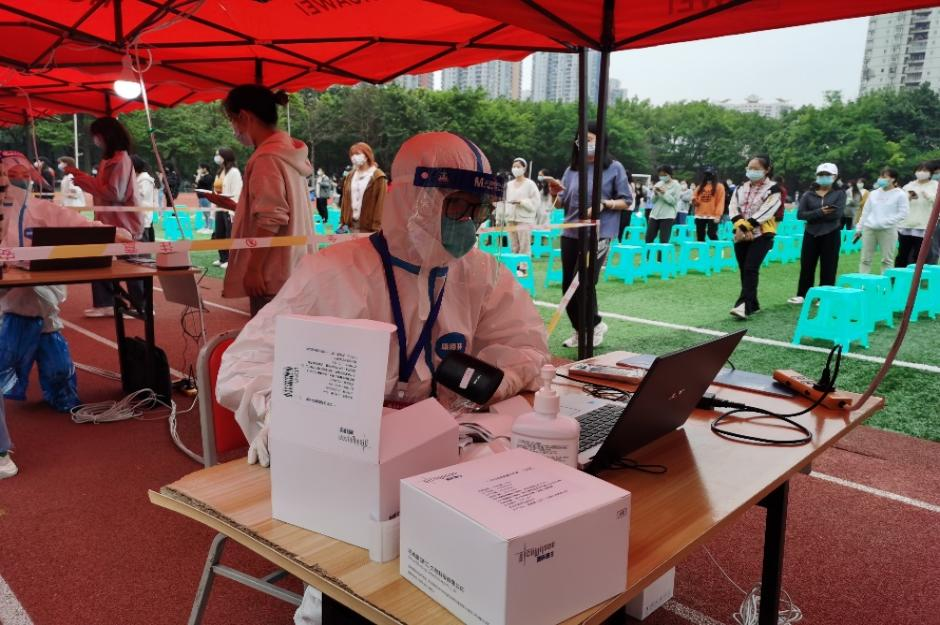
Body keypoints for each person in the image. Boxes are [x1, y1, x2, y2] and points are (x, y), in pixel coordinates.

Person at [217, 130, 550, 625]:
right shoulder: (333, 273)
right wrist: (282, 411)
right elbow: (245, 365)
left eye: (479, 209)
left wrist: (491, 379)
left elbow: (525, 344)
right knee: (354, 584)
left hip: (442, 451)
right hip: (350, 456)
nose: (470, 223)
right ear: (417, 200)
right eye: (458, 206)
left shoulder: (477, 272)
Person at [0, 152, 131, 422]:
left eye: (24, 175)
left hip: (41, 300)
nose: (18, 181)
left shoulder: (40, 209)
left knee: (54, 360)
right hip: (11, 302)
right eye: (11, 176)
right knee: (11, 355)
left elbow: (76, 224)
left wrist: (110, 233)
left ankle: (62, 395)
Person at [206, 85, 315, 318]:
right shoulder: (288, 152)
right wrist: (236, 207)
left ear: (244, 117)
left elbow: (272, 217)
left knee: (267, 338)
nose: (233, 128)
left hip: (273, 273)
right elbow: (278, 209)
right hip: (294, 268)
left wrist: (254, 268)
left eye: (231, 120)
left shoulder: (266, 158)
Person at [549, 121, 633, 348]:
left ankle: (593, 326)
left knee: (584, 282)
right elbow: (560, 203)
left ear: (600, 140)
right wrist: (554, 193)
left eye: (589, 139)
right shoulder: (572, 169)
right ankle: (581, 329)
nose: (583, 143)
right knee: (568, 286)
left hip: (599, 233)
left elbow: (627, 200)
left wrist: (604, 204)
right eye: (580, 140)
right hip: (571, 231)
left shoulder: (614, 168)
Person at [64, 116, 146, 318]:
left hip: (123, 222)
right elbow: (105, 189)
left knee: (131, 264)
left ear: (105, 136)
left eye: (96, 136)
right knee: (100, 258)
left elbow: (114, 193)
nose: (95, 140)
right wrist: (83, 178)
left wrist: (84, 180)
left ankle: (141, 305)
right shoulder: (109, 160)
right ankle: (105, 302)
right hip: (108, 219)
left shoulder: (120, 160)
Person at [728, 155, 781, 319]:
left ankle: (743, 305)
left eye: (756, 169)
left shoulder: (773, 189)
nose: (752, 171)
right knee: (744, 269)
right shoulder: (740, 188)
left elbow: (767, 211)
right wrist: (741, 227)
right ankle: (754, 304)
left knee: (751, 268)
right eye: (749, 168)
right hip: (741, 233)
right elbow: (733, 208)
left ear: (767, 170)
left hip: (762, 234)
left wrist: (745, 227)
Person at [787, 163, 845, 305]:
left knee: (829, 265)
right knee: (807, 264)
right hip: (810, 233)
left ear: (834, 177)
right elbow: (800, 214)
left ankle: (825, 296)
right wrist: (820, 212)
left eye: (827, 175)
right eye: (821, 175)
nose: (823, 177)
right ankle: (803, 294)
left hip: (831, 233)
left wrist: (813, 215)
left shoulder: (839, 194)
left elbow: (837, 214)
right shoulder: (808, 194)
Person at [855, 168, 908, 274]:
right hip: (869, 229)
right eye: (880, 176)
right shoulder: (874, 193)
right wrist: (859, 228)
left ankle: (886, 282)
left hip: (888, 230)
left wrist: (886, 221)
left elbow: (903, 213)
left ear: (893, 179)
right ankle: (863, 280)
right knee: (865, 259)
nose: (880, 179)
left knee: (887, 260)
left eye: (884, 177)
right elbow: (866, 212)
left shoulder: (900, 194)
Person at [896, 163, 938, 268]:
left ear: (930, 173)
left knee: (919, 254)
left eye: (925, 170)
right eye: (919, 170)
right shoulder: (909, 185)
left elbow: (937, 202)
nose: (921, 173)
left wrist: (928, 196)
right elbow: (900, 200)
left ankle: (917, 275)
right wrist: (909, 197)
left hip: (924, 224)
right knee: (903, 253)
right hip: (907, 224)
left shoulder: (935, 185)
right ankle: (899, 274)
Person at [339, 142, 386, 234]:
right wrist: (343, 222)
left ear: (367, 155)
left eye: (357, 154)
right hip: (350, 226)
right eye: (352, 155)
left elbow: (381, 203)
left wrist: (377, 227)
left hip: (369, 227)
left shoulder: (378, 176)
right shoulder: (350, 176)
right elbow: (345, 200)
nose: (354, 157)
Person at [210, 148, 241, 269]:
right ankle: (223, 257)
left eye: (218, 155)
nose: (216, 157)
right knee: (219, 233)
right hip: (219, 207)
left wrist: (233, 209)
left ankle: (230, 259)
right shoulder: (220, 171)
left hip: (229, 208)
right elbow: (216, 189)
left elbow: (237, 192)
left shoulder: (234, 172)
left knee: (229, 234)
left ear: (225, 156)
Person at [503, 158, 540, 255]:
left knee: (524, 246)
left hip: (524, 219)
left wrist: (522, 202)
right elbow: (505, 200)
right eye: (514, 166)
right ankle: (514, 264)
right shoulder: (509, 185)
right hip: (510, 218)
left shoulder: (530, 184)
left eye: (518, 166)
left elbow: (536, 202)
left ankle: (523, 264)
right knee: (513, 246)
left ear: (524, 168)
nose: (515, 169)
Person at [646, 165, 680, 244]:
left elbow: (674, 201)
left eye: (664, 175)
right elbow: (653, 201)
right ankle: (648, 252)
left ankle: (661, 253)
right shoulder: (659, 184)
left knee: (664, 240)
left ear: (669, 174)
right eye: (660, 175)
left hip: (667, 215)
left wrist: (664, 193)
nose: (662, 177)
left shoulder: (676, 185)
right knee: (649, 238)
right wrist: (655, 194)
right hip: (655, 214)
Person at [131, 155, 158, 242]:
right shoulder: (138, 178)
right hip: (138, 217)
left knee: (143, 243)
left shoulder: (144, 180)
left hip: (143, 217)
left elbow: (140, 195)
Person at [692, 168, 725, 241]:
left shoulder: (719, 187)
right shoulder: (700, 187)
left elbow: (720, 202)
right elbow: (695, 200)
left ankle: (717, 247)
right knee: (700, 236)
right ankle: (702, 248)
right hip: (700, 214)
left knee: (711, 233)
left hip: (713, 215)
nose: (707, 176)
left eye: (709, 174)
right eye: (706, 175)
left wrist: (718, 215)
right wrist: (694, 200)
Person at [195, 163, 214, 234]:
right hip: (201, 197)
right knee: (204, 213)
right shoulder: (203, 177)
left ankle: (210, 228)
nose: (199, 170)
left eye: (200, 168)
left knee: (208, 213)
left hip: (206, 197)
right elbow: (197, 181)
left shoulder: (209, 177)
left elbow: (199, 181)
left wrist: (199, 174)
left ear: (205, 168)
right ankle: (206, 226)